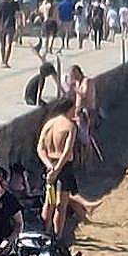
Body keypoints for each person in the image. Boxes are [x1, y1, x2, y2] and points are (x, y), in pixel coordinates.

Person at [36, 96, 78, 236]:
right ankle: (57, 235)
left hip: (49, 165)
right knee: (61, 205)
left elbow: (40, 148)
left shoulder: (49, 124)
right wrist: (58, 168)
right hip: (63, 167)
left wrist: (49, 166)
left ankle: (45, 232)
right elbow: (67, 152)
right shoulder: (70, 126)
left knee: (49, 201)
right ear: (69, 109)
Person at [0, 0, 20, 68]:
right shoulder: (14, 3)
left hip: (1, 25)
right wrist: (18, 25)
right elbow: (17, 15)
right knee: (9, 44)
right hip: (11, 25)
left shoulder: (1, 2)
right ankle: (6, 61)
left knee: (2, 44)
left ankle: (2, 60)